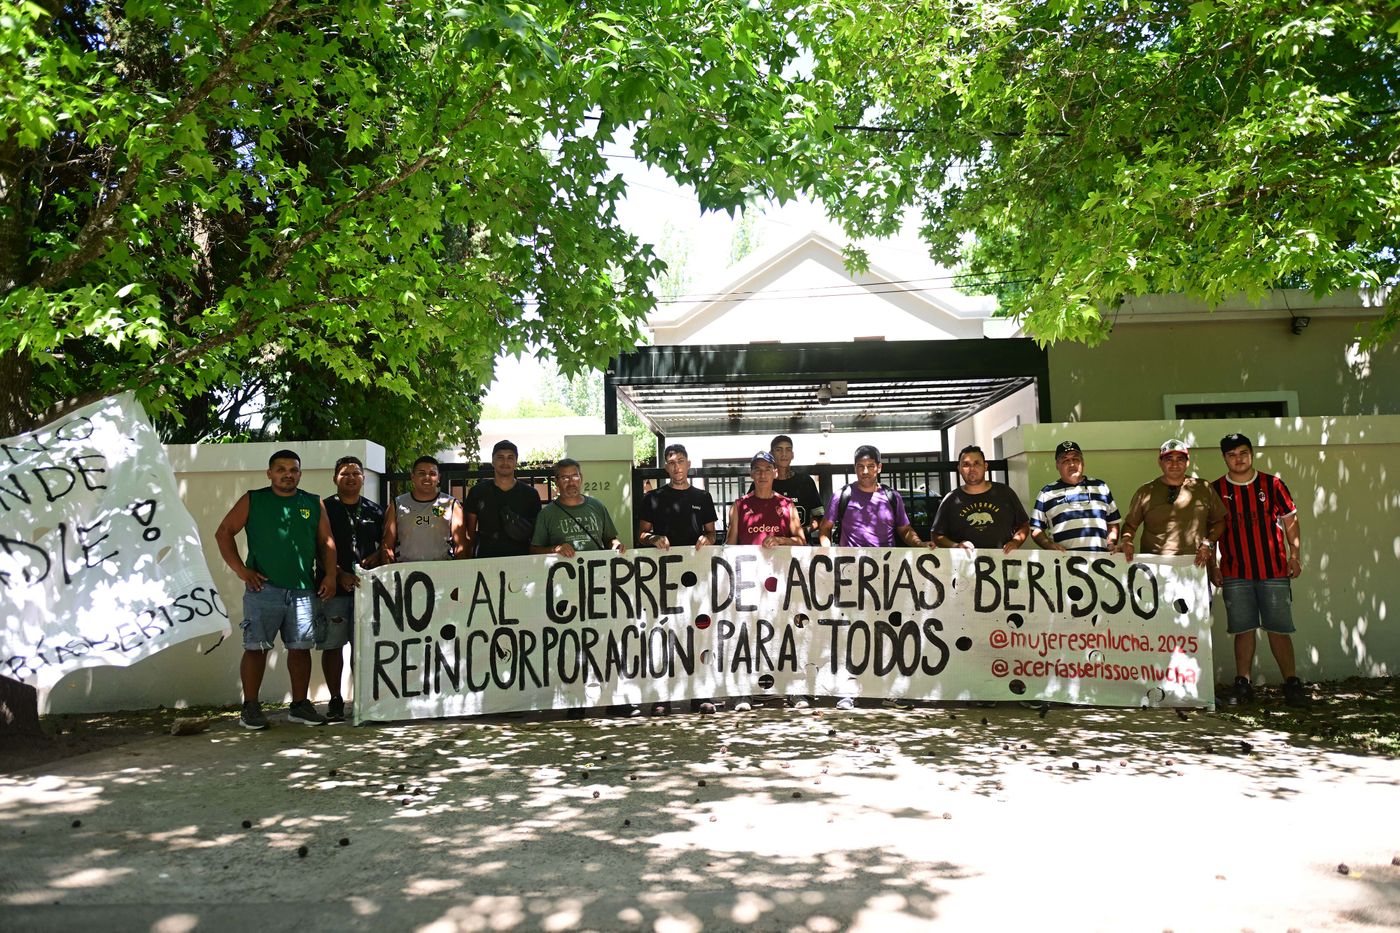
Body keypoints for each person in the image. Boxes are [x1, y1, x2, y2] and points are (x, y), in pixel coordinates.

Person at [214, 449, 336, 730]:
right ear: (269, 473)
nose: (287, 474)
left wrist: (329, 574)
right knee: (256, 648)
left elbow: (326, 543)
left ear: (300, 474)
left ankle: (300, 706)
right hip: (263, 589)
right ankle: (251, 708)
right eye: (280, 469)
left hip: (304, 590)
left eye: (293, 469)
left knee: (300, 649)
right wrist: (241, 570)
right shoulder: (253, 499)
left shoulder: (313, 502)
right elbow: (223, 532)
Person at [1209, 433, 1307, 707]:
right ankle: (1243, 683)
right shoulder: (1216, 489)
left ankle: (1291, 682)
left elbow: (1290, 520)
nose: (1238, 459)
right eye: (1231, 454)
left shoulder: (1272, 484)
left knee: (1278, 628)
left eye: (1242, 453)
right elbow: (1211, 531)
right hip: (1235, 570)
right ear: (1224, 458)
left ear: (1251, 454)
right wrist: (1213, 566)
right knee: (1244, 629)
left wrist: (1295, 555)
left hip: (1273, 569)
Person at [315, 455, 385, 722]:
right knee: (333, 645)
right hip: (332, 588)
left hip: (367, 590)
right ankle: (335, 699)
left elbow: (386, 546)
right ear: (335, 478)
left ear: (364, 479)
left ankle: (364, 699)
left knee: (366, 647)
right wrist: (338, 573)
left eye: (356, 473)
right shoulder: (323, 508)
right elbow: (318, 548)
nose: (351, 478)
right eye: (345, 474)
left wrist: (377, 557)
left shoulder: (375, 510)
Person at [1118, 440, 1226, 566]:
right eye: (1169, 459)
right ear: (1160, 462)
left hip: (1194, 564)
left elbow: (1219, 521)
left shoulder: (1203, 488)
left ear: (1187, 462)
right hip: (1155, 566)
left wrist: (1209, 543)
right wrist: (1126, 540)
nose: (1175, 464)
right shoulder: (1145, 491)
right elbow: (1130, 525)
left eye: (1180, 459)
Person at [931, 445, 1030, 553]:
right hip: (964, 565)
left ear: (985, 466)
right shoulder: (950, 499)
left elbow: (1023, 525)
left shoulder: (1005, 493)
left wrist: (1015, 542)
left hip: (1003, 562)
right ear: (959, 468)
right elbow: (936, 535)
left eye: (977, 463)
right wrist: (956, 546)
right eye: (966, 465)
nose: (972, 469)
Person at [818, 445, 923, 547]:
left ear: (879, 467)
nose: (865, 471)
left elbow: (905, 530)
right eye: (860, 466)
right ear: (855, 468)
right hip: (849, 563)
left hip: (885, 563)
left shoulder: (893, 497)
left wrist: (920, 544)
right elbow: (825, 528)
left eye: (870, 466)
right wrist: (828, 553)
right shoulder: (841, 496)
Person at [1030, 441, 1121, 552]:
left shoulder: (1101, 487)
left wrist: (1111, 543)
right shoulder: (1047, 493)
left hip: (1099, 563)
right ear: (1057, 465)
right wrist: (1049, 545)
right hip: (1065, 564)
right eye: (1065, 460)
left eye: (1075, 459)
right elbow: (1036, 529)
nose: (1072, 464)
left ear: (1083, 463)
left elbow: (1113, 522)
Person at [382, 456, 469, 563]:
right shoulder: (397, 504)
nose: (427, 477)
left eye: (432, 474)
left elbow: (460, 546)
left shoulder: (451, 504)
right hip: (405, 571)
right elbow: (387, 547)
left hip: (442, 570)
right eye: (421, 473)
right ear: (412, 476)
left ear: (438, 478)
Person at [531, 458, 625, 556]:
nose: (571, 483)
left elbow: (610, 539)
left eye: (575, 476)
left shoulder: (597, 506)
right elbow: (534, 550)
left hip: (597, 569)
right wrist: (555, 549)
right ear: (556, 481)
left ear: (581, 478)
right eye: (564, 478)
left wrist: (617, 546)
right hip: (562, 570)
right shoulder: (546, 514)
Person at [465, 440, 542, 559]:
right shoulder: (477, 492)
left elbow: (538, 535)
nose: (505, 462)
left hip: (522, 561)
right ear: (492, 461)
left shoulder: (530, 494)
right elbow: (469, 533)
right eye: (500, 457)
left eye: (510, 457)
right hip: (486, 560)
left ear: (516, 462)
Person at [638, 444, 717, 551]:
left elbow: (712, 534)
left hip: (696, 560)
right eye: (671, 463)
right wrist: (653, 538)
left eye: (680, 461)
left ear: (688, 464)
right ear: (666, 467)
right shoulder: (652, 497)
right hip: (663, 560)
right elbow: (641, 536)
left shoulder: (703, 497)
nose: (677, 467)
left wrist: (707, 539)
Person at [727, 451, 805, 548]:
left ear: (775, 473)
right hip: (748, 562)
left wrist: (779, 540)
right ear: (751, 474)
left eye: (767, 469)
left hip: (780, 562)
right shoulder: (739, 505)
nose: (762, 475)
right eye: (757, 469)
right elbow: (729, 546)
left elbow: (801, 541)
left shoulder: (787, 504)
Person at [768, 435, 824, 542]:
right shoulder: (764, 482)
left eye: (788, 450)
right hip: (771, 546)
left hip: (801, 547)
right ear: (771, 454)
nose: (784, 454)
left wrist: (803, 531)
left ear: (792, 455)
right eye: (779, 450)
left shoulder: (805, 481)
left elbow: (820, 517)